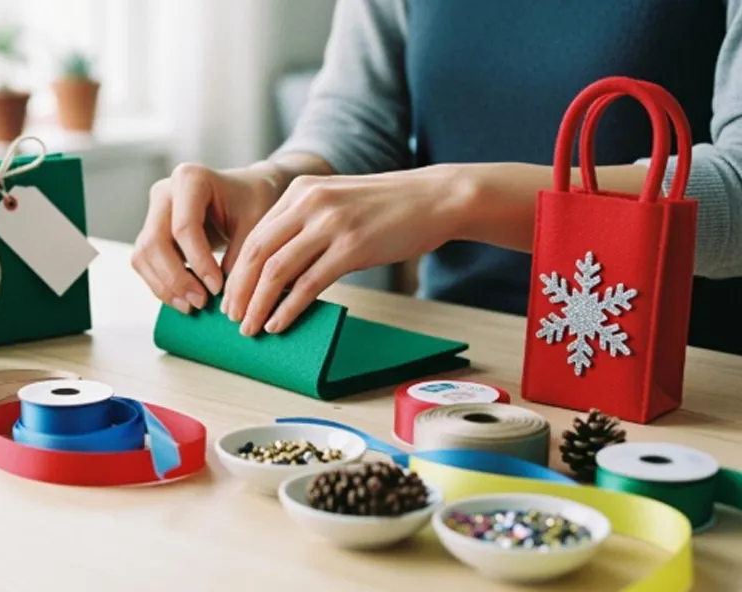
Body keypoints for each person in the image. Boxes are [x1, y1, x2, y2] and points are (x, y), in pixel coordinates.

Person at [130, 0, 742, 355]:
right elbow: (356, 124)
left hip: (694, 384)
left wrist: (458, 197)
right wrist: (269, 183)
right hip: (459, 363)